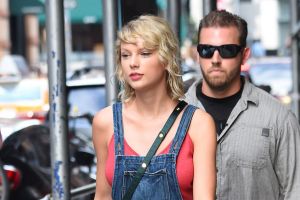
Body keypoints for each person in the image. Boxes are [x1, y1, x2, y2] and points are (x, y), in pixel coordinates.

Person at [92, 15, 216, 200]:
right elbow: (102, 196)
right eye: (125, 55)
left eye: (144, 53)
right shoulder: (105, 122)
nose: (133, 63)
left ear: (166, 59)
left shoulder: (198, 124)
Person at [185, 10, 300, 200]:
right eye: (206, 50)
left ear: (244, 55)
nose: (215, 59)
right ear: (198, 54)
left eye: (227, 50)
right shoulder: (174, 115)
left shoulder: (279, 119)